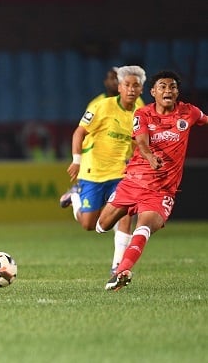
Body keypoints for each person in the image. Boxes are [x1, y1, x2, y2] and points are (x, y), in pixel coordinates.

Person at [97, 70, 207, 291]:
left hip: (162, 190)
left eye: (172, 87)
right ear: (153, 92)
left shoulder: (189, 112)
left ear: (177, 92)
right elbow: (142, 141)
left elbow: (205, 119)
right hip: (134, 181)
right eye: (163, 87)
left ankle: (122, 271)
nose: (168, 90)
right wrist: (149, 156)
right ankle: (121, 210)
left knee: (144, 226)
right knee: (101, 225)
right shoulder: (143, 113)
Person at [60, 66, 146, 274]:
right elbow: (79, 133)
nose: (131, 89)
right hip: (93, 170)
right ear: (120, 87)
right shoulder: (100, 106)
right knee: (90, 224)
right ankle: (76, 197)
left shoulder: (142, 112)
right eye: (127, 85)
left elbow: (139, 142)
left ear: (142, 89)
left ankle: (118, 266)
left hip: (120, 172)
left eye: (136, 85)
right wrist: (77, 160)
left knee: (126, 213)